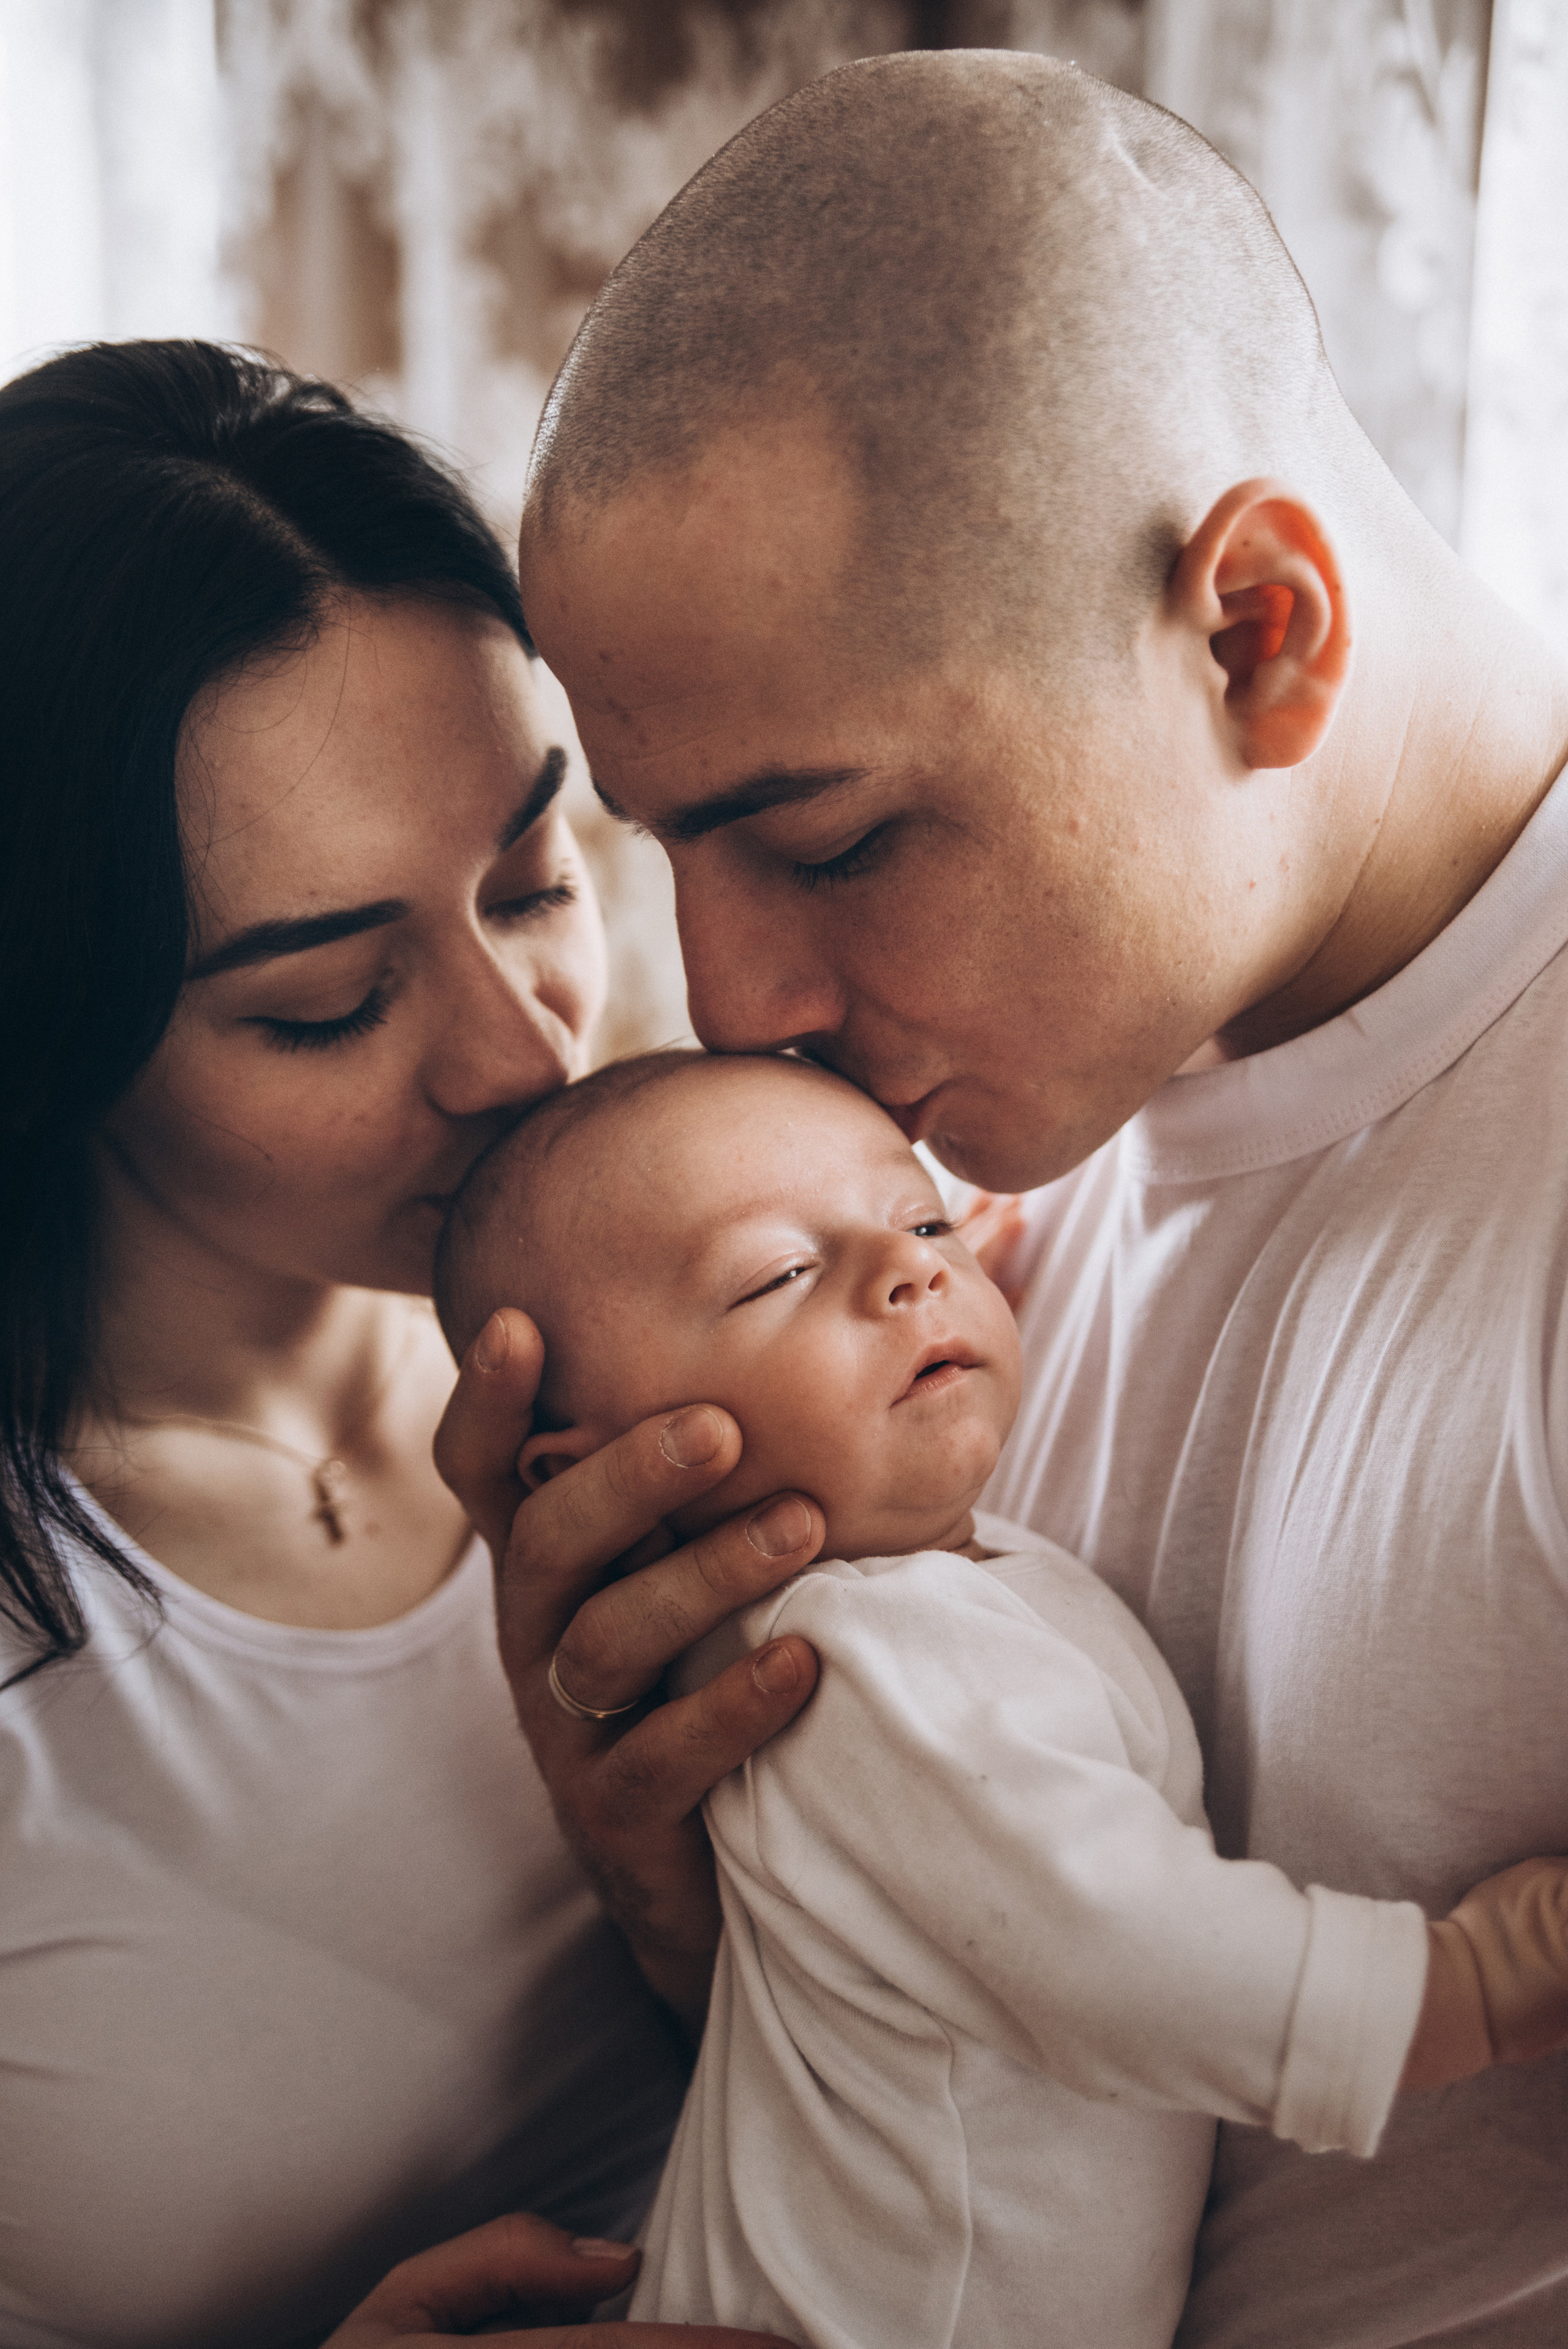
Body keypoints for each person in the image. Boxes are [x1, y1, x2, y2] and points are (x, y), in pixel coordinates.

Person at [434, 50, 1568, 2349]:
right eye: (666, 853)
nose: (732, 1001)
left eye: (833, 839)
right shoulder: (932, 1193)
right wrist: (701, 1894)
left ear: (1259, 631)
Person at [0, 339, 809, 2349]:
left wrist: (681, 1928)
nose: (522, 1051)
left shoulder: (730, 1337)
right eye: (331, 1003)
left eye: (536, 880)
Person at [435, 1047, 1568, 2349]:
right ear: (594, 1475)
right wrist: (1468, 1985)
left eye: (924, 1222)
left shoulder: (933, 1586)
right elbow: (1114, 1947)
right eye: (777, 1275)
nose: (908, 1271)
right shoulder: (852, 1664)